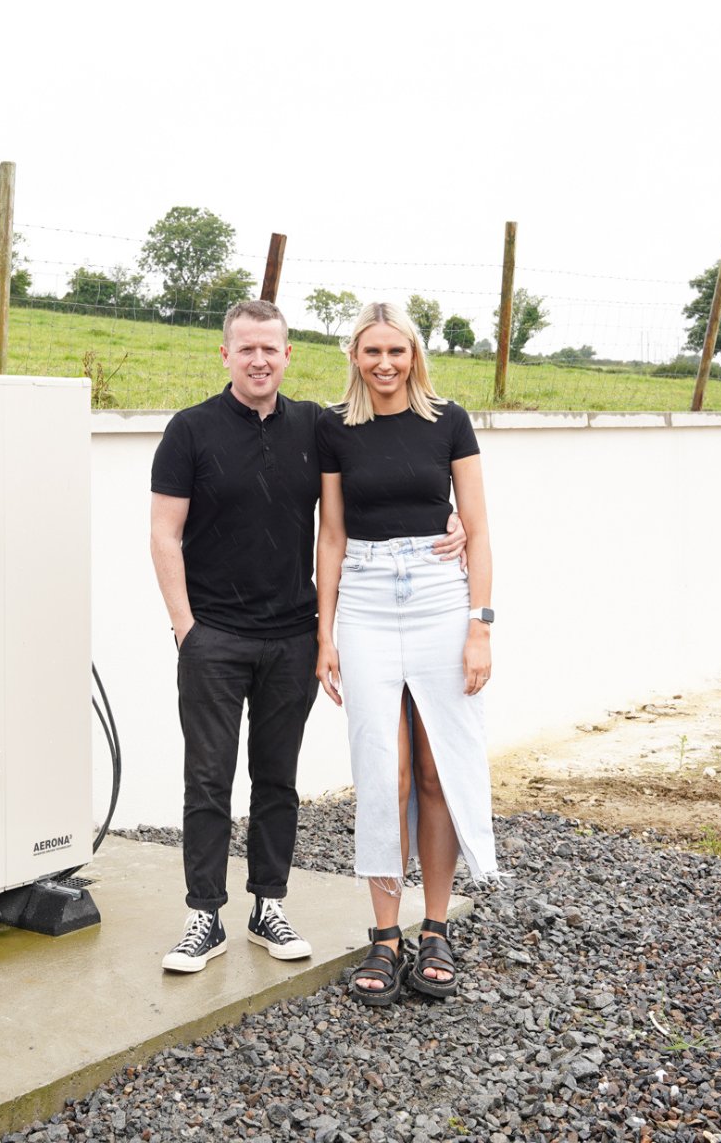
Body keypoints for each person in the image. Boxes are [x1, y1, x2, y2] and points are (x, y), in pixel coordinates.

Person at [149, 299, 465, 974]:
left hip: (292, 633)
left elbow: (370, 492)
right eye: (247, 349)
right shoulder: (190, 430)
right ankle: (204, 916)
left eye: (271, 348)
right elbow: (163, 535)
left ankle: (269, 905)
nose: (259, 360)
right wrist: (187, 630)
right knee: (207, 778)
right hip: (215, 638)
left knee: (276, 779)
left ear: (288, 355)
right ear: (226, 355)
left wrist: (453, 524)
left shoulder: (318, 427)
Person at [315, 300, 500, 1007]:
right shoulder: (335, 428)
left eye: (397, 351)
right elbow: (330, 537)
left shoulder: (448, 420)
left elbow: (478, 531)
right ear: (355, 358)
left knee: (435, 768)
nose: (385, 364)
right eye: (372, 353)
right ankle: (384, 933)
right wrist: (323, 632)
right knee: (382, 770)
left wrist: (479, 624)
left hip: (436, 595)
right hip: (362, 596)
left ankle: (435, 928)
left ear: (415, 355)